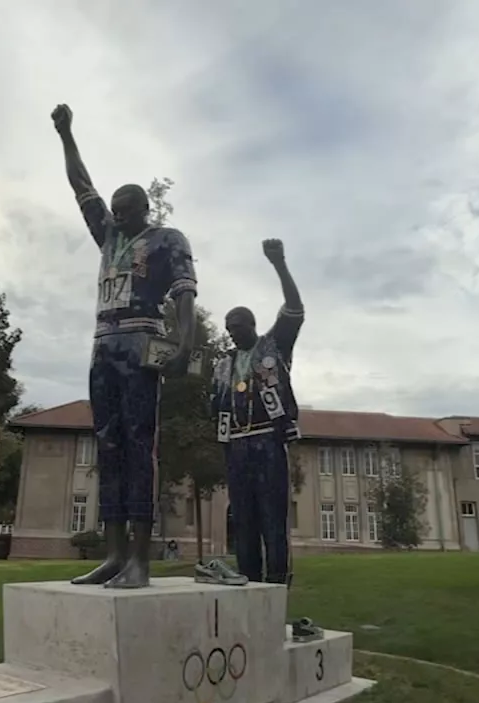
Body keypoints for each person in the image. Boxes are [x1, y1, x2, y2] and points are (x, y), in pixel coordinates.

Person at [51, 103, 198, 590]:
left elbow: (184, 293)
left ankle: (140, 557)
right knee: (108, 444)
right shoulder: (109, 236)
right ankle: (113, 554)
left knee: (140, 444)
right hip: (102, 345)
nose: (116, 213)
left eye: (125, 207)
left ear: (144, 209)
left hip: (139, 341)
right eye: (114, 208)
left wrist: (183, 343)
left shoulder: (166, 239)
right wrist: (66, 135)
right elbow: (81, 186)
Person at [197, 239, 304, 592]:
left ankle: (276, 584)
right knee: (242, 517)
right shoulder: (223, 364)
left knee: (273, 516)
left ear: (252, 324)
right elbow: (215, 404)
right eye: (228, 328)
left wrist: (279, 263)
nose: (231, 332)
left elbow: (295, 308)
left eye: (237, 326)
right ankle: (248, 581)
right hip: (237, 447)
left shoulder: (274, 346)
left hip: (268, 441)